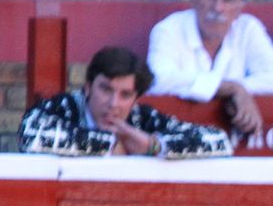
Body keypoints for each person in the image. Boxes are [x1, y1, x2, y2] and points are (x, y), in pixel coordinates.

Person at [146, 0, 273, 140]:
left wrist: (235, 90)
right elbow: (158, 81)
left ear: (240, 8)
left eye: (228, 0)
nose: (218, 7)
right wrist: (231, 89)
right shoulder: (168, 29)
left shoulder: (248, 28)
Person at [19, 46, 232, 158]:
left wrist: (152, 145)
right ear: (88, 87)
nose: (113, 103)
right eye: (105, 89)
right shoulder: (63, 107)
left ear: (136, 99)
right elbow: (30, 135)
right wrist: (112, 145)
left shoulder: (142, 117)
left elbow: (219, 141)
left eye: (125, 95)